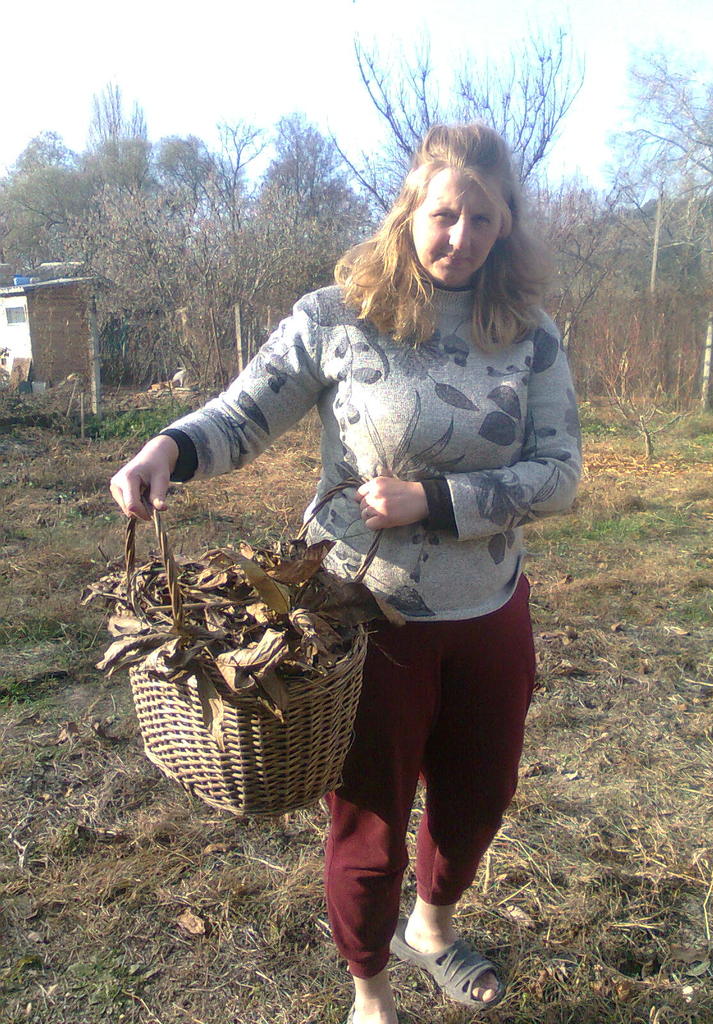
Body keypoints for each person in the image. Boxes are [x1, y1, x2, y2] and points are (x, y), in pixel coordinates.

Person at [110, 122, 581, 1024]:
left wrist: (433, 501)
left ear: (506, 226)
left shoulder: (528, 332)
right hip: (363, 618)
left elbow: (559, 473)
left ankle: (431, 930)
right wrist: (168, 447)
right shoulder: (340, 314)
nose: (462, 238)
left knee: (479, 799)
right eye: (445, 215)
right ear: (410, 211)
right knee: (369, 826)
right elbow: (244, 413)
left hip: (489, 611)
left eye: (484, 220)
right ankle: (370, 989)